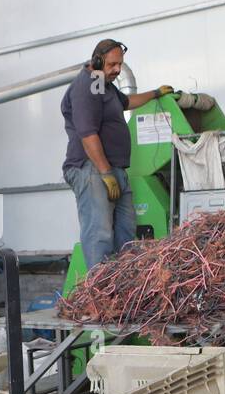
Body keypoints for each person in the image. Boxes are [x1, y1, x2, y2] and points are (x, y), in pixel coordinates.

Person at [61, 38, 174, 268]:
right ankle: (100, 297)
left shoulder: (103, 85)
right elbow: (88, 134)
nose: (117, 70)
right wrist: (105, 172)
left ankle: (123, 291)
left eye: (120, 65)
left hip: (114, 169)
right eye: (112, 64)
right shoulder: (86, 86)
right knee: (99, 234)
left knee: (126, 234)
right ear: (97, 60)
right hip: (92, 169)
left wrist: (155, 93)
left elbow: (127, 101)